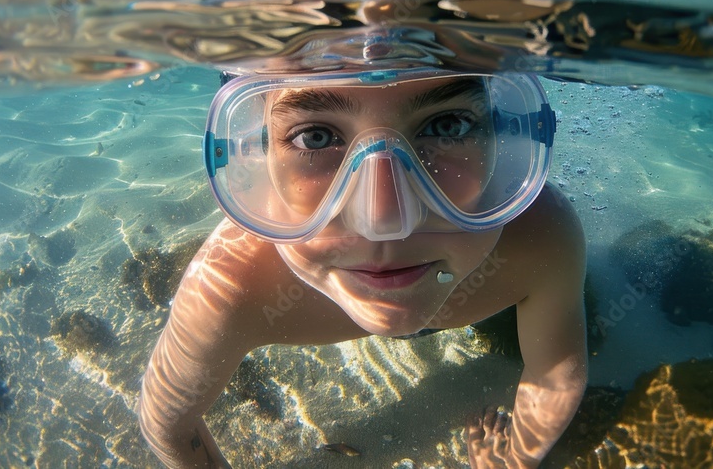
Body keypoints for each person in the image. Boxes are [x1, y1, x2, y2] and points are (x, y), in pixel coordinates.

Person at [138, 65, 587, 469]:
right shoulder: (234, 285)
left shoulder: (540, 238)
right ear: (253, 160)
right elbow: (168, 425)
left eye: (447, 125)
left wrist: (514, 461)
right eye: (314, 137)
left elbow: (558, 376)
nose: (386, 222)